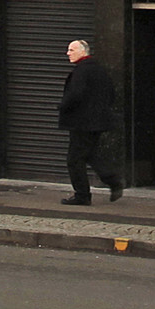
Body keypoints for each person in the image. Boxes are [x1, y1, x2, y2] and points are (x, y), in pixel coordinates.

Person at [56, 38, 123, 206]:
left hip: (82, 122)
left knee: (74, 159)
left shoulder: (82, 71)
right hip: (96, 122)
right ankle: (114, 181)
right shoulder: (99, 70)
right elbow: (111, 94)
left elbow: (75, 94)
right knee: (90, 154)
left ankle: (82, 195)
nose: (68, 53)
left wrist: (63, 106)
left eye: (71, 50)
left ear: (82, 52)